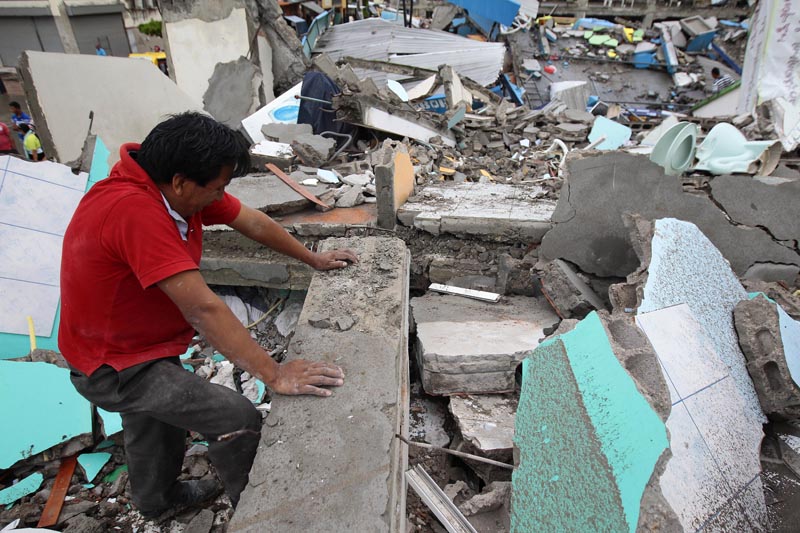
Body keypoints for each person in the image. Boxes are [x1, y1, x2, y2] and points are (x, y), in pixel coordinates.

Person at [59, 112, 358, 519]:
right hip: (112, 363)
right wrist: (275, 374)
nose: (220, 197)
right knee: (233, 415)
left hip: (133, 343)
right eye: (216, 188)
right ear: (182, 182)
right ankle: (260, 516)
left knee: (154, 419)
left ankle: (157, 503)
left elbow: (251, 221)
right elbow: (202, 308)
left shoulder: (168, 188)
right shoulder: (136, 211)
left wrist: (311, 258)